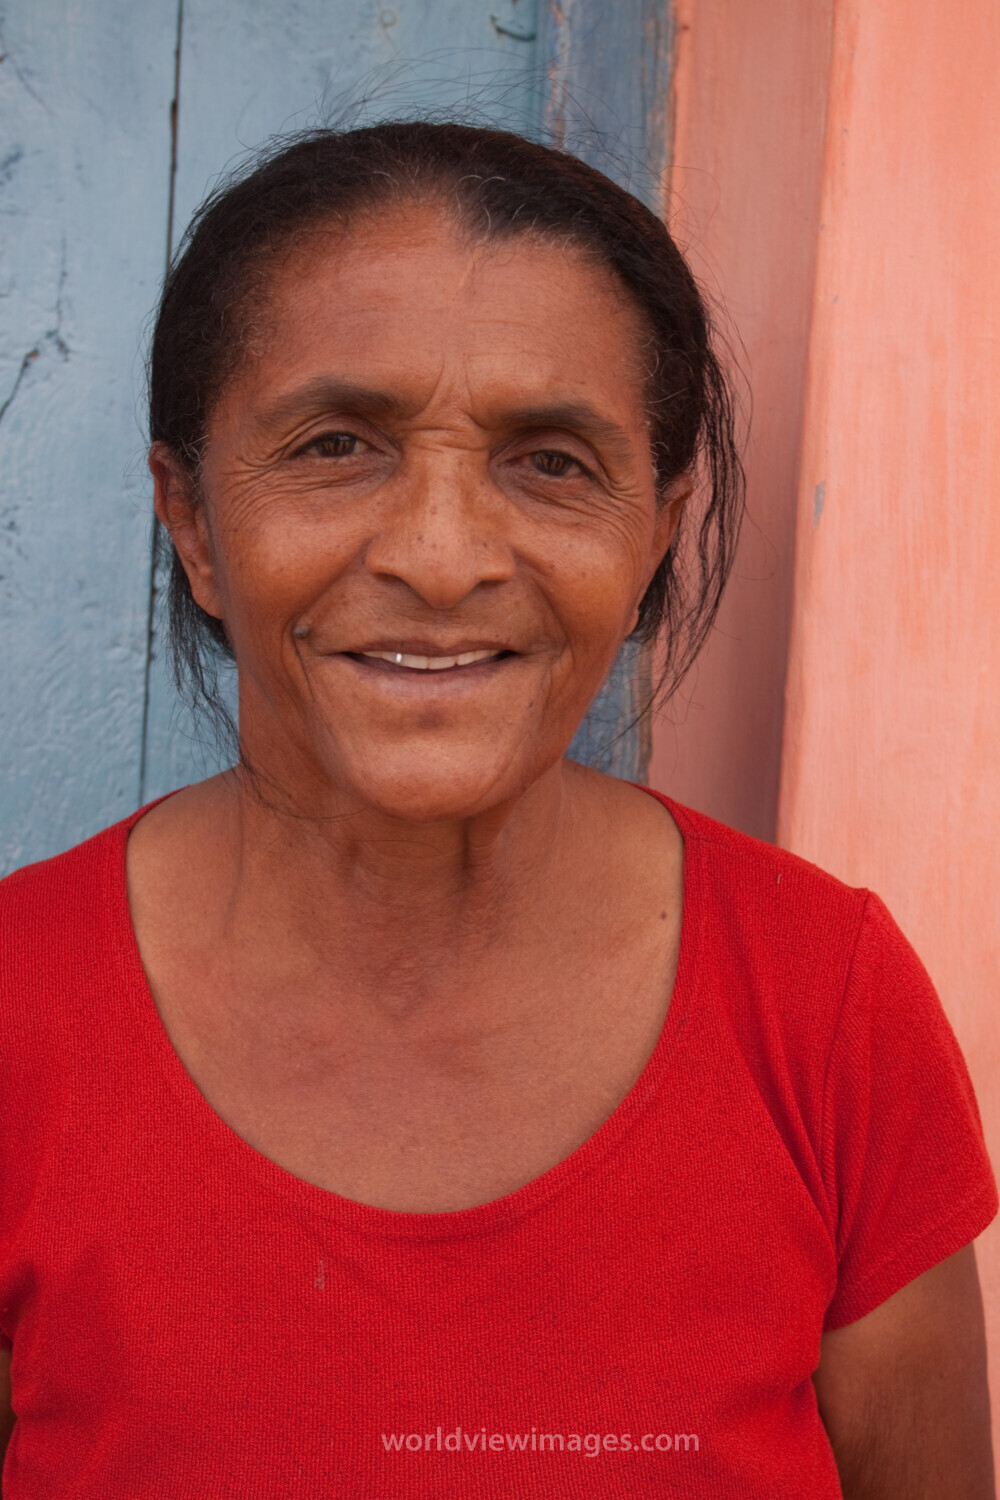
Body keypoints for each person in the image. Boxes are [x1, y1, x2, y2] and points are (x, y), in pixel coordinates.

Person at [0, 121, 994, 1499]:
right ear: (189, 520)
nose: (443, 555)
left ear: (655, 532)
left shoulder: (825, 1005)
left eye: (550, 461)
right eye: (337, 444)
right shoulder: (17, 1016)